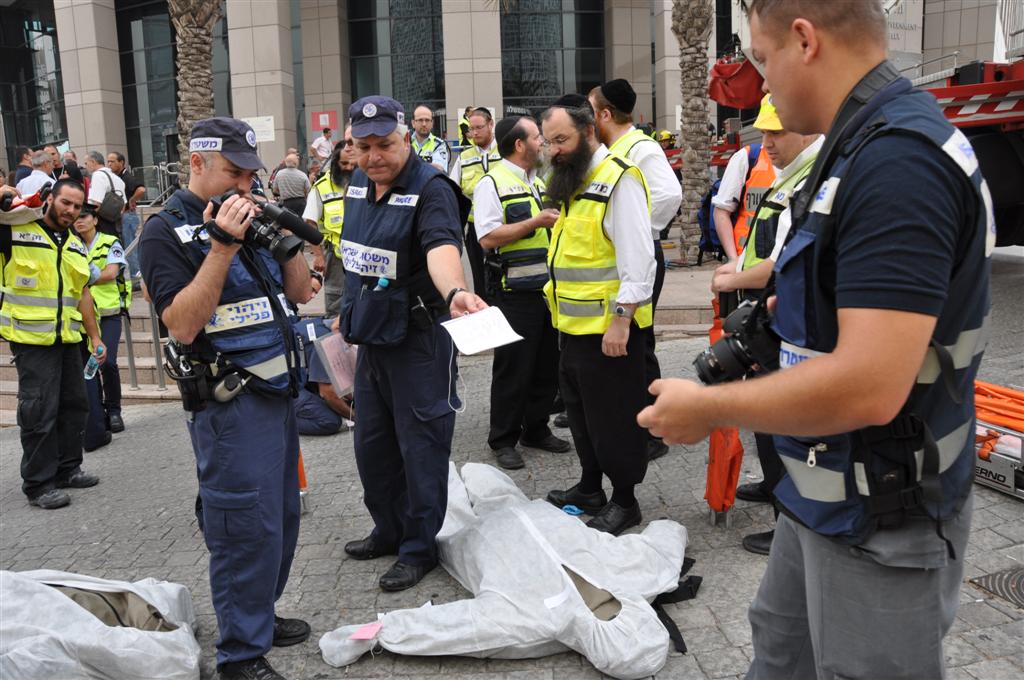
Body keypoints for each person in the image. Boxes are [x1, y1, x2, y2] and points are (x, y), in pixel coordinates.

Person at [640, 1, 993, 677]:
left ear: (805, 41)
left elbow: (869, 384)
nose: (761, 83)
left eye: (762, 58)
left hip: (879, 513)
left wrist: (709, 409)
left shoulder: (898, 165)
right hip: (823, 494)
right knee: (780, 647)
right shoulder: (856, 141)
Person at [139, 117, 312, 680]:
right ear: (197, 163)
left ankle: (258, 614)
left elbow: (300, 292)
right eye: (234, 173)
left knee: (282, 519)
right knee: (245, 527)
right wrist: (221, 248)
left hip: (278, 392)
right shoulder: (165, 232)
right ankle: (240, 655)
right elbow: (183, 325)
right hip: (229, 404)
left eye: (250, 174)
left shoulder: (248, 212)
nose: (244, 185)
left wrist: (281, 239)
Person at [338, 95, 485, 592]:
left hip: (419, 341)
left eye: (385, 144)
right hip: (371, 337)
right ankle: (390, 528)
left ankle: (419, 547)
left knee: (420, 447)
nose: (375, 156)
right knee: (372, 447)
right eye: (364, 146)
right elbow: (359, 256)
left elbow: (442, 247)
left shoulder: (432, 188)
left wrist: (455, 290)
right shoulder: (359, 181)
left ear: (408, 138)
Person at [709, 94, 823, 556]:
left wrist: (730, 276)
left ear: (806, 126)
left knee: (781, 419)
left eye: (777, 131)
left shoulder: (806, 182)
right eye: (764, 132)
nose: (767, 142)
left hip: (776, 310)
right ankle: (776, 491)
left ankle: (787, 523)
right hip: (762, 310)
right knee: (766, 415)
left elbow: (777, 266)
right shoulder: (788, 176)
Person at [540, 95, 656, 536]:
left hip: (611, 331)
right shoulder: (574, 183)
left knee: (615, 420)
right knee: (583, 417)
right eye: (550, 142)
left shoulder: (618, 179)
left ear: (589, 131)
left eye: (562, 139)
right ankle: (590, 487)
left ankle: (625, 501)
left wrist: (623, 318)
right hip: (572, 329)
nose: (555, 150)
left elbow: (638, 259)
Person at [589, 79, 682, 462]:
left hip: (640, 259)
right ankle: (638, 420)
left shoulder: (640, 147)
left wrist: (634, 227)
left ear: (606, 114)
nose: (587, 116)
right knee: (632, 346)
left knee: (640, 344)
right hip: (623, 261)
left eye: (591, 109)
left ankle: (653, 430)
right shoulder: (614, 148)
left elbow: (670, 194)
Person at [1, 179, 105, 510]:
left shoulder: (76, 244)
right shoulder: (15, 230)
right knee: (38, 412)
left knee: (74, 406)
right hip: (32, 341)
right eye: (66, 203)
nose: (72, 211)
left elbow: (83, 294)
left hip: (68, 339)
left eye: (77, 206)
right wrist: (5, 199)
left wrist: (95, 337)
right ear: (49, 199)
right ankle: (38, 484)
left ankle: (67, 469)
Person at [473, 115, 568, 470]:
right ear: (519, 145)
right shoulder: (491, 183)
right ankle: (503, 439)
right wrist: (534, 223)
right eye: (536, 137)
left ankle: (536, 429)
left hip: (545, 291)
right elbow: (487, 238)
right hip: (513, 291)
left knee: (546, 364)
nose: (542, 142)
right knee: (514, 367)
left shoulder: (537, 182)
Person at [72, 201, 132, 440]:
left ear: (95, 220)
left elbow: (111, 273)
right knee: (89, 368)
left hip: (108, 314)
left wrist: (83, 278)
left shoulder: (110, 242)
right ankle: (98, 414)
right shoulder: (72, 244)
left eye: (85, 216)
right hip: (83, 317)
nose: (80, 220)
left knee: (107, 363)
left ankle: (115, 410)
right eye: (77, 217)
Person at [304, 126, 356, 317]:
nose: (349, 168)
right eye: (344, 164)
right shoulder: (321, 187)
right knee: (336, 302)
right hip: (335, 257)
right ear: (335, 163)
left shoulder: (366, 183)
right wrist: (318, 255)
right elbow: (310, 222)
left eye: (352, 164)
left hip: (363, 256)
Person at [449, 106, 501, 297]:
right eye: (472, 129)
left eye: (479, 127)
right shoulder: (464, 158)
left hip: (503, 226)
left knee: (504, 278)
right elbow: (453, 192)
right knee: (480, 280)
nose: (475, 133)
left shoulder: (506, 151)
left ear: (491, 125)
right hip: (475, 230)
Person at [712, 133, 776, 265]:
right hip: (746, 261)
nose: (769, 141)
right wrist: (733, 260)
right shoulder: (747, 157)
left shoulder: (808, 161)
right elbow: (721, 211)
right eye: (765, 132)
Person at [291, 315, 355, 436]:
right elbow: (328, 393)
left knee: (341, 401)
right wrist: (358, 419)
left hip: (291, 377)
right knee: (329, 421)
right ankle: (275, 420)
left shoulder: (322, 324)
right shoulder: (327, 341)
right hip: (282, 388)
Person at [107, 152, 146, 280]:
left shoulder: (126, 177)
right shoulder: (115, 177)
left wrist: (132, 200)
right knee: (126, 245)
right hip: (122, 216)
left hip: (128, 216)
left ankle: (137, 275)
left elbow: (141, 189)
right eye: (108, 161)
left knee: (130, 245)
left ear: (121, 162)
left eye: (112, 161)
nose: (110, 164)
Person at [411, 105, 451, 171]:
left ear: (432, 123)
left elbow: (438, 170)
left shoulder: (439, 144)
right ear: (413, 123)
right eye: (420, 120)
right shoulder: (404, 143)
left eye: (427, 120)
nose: (424, 124)